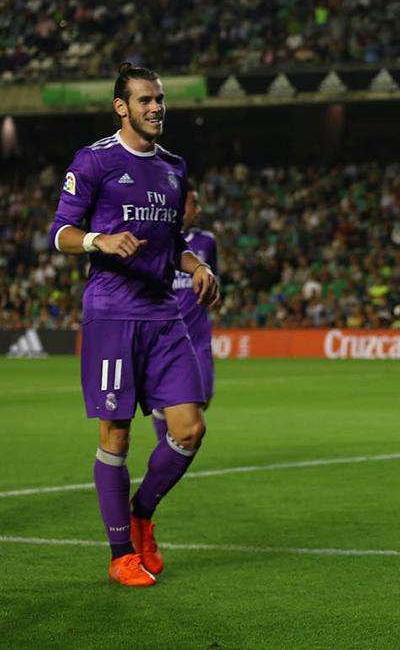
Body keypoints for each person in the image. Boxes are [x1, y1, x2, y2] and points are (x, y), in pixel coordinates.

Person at [48, 62, 219, 586]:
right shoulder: (94, 160)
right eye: (145, 100)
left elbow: (173, 248)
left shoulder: (173, 166)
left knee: (189, 429)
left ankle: (142, 513)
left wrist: (198, 267)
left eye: (160, 100)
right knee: (116, 435)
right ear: (122, 107)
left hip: (163, 316)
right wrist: (99, 240)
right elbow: (59, 233)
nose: (156, 108)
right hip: (112, 313)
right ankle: (121, 553)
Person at [155, 189, 218, 443]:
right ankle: (167, 448)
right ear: (180, 208)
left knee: (202, 398)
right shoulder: (158, 240)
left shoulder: (207, 242)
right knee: (180, 408)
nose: (199, 210)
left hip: (198, 336)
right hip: (167, 337)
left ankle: (167, 434)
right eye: (195, 204)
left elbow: (214, 276)